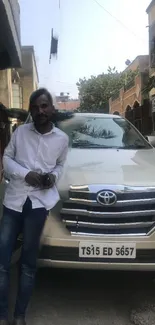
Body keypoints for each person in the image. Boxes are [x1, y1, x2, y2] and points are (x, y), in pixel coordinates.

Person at [0, 88, 69, 325]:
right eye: (36, 107)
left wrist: (53, 177)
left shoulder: (62, 139)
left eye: (44, 106)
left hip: (39, 205)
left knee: (28, 264)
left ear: (51, 108)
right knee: (2, 260)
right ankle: (2, 315)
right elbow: (6, 159)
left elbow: (60, 166)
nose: (40, 111)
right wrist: (24, 174)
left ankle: (19, 316)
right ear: (30, 109)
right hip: (14, 202)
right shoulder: (20, 133)